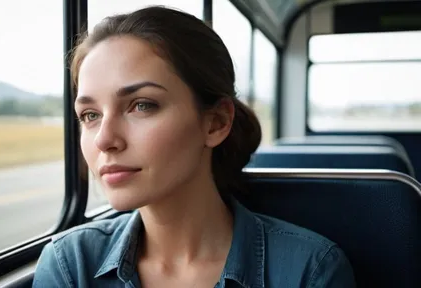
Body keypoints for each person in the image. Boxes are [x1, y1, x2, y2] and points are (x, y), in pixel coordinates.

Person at [32, 6, 355, 288]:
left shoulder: (308, 270)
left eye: (141, 105)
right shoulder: (70, 264)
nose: (104, 139)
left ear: (215, 123)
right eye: (90, 115)